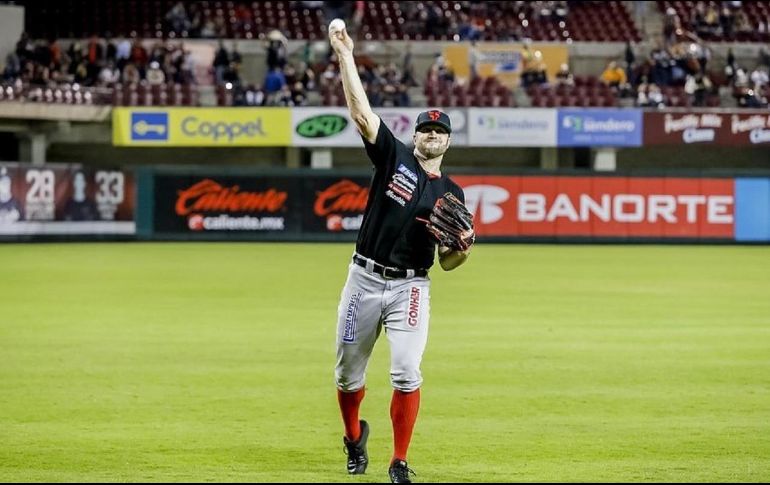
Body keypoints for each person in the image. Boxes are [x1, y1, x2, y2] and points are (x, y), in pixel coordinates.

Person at [328, 21, 474, 484]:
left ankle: (399, 460)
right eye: (425, 129)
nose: (431, 135)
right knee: (349, 376)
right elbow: (361, 113)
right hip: (363, 280)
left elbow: (448, 260)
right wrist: (345, 55)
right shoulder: (393, 157)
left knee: (407, 371)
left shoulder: (453, 194)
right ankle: (354, 437)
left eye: (439, 131)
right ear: (415, 137)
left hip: (412, 285)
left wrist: (462, 254)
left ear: (448, 141)